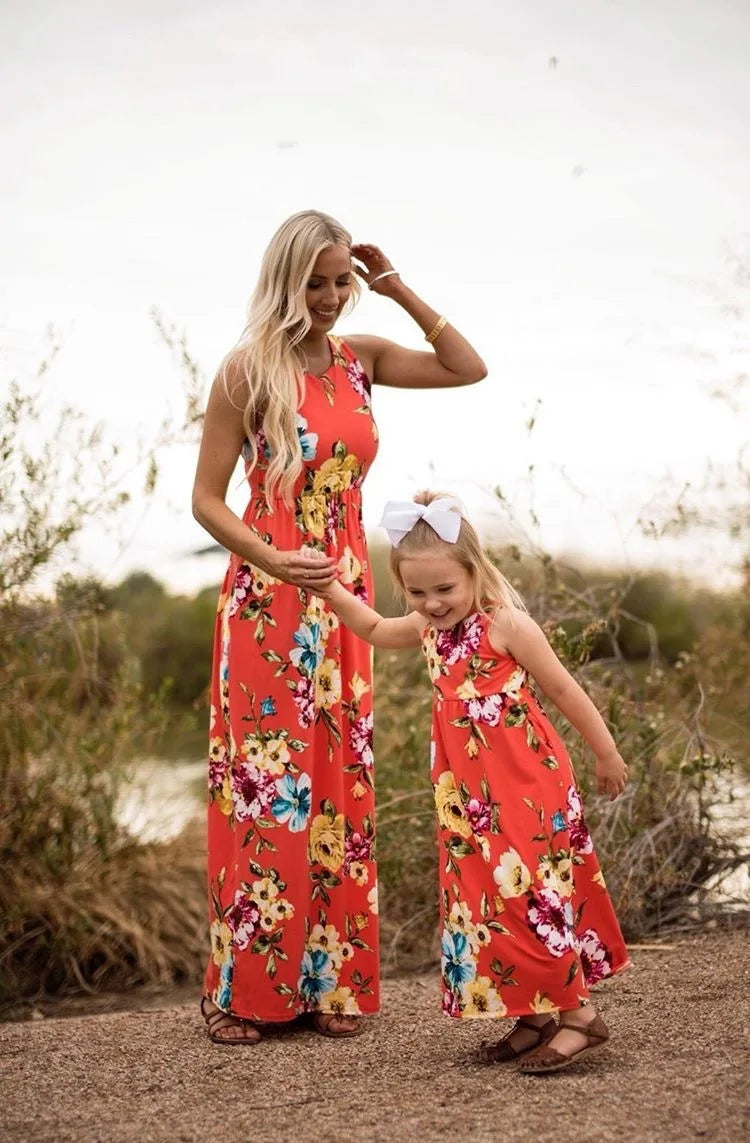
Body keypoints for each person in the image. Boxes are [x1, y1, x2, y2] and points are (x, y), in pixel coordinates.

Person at [192, 211, 487, 1045]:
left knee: (333, 780)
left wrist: (397, 290)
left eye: (339, 282)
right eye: (314, 282)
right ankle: (241, 989)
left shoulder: (362, 359)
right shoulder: (247, 371)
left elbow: (470, 368)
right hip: (266, 598)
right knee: (262, 789)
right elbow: (207, 498)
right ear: (285, 281)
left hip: (348, 597)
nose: (327, 298)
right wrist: (276, 559)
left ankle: (325, 981)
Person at [313, 491, 630, 1073]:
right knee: (484, 896)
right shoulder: (427, 627)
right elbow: (376, 628)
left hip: (525, 781)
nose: (431, 604)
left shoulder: (505, 624)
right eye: (417, 592)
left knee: (529, 892)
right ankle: (534, 1013)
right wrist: (330, 589)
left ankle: (579, 1017)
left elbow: (564, 690)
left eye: (444, 589)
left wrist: (605, 754)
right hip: (466, 793)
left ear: (474, 573)